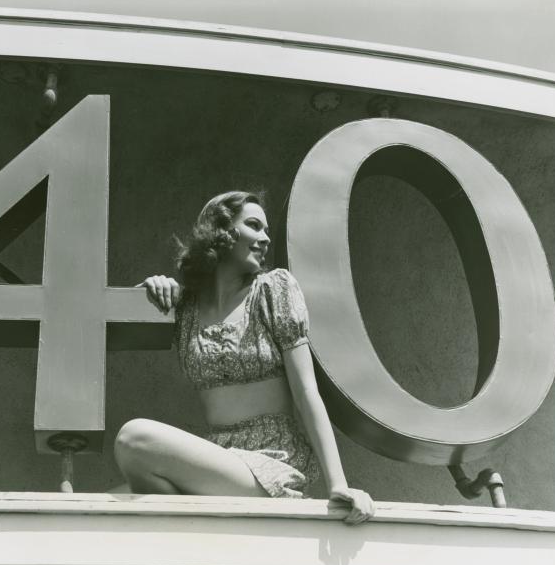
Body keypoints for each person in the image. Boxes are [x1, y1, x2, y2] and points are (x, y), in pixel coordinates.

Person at [114, 191, 374, 524]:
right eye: (254, 225)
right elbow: (112, 325)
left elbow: (308, 393)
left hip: (272, 463)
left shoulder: (272, 289)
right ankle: (200, 544)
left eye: (265, 229)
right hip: (219, 462)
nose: (265, 238)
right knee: (108, 504)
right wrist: (149, 288)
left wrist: (339, 485)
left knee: (133, 439)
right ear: (221, 232)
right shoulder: (186, 309)